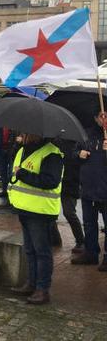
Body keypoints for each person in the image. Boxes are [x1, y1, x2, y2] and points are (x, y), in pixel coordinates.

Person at [8, 133, 64, 305]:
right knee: (30, 250)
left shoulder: (51, 153)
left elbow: (50, 181)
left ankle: (42, 289)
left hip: (40, 210)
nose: (21, 135)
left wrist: (23, 174)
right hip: (24, 207)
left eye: (25, 133)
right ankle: (31, 283)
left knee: (42, 251)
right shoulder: (23, 149)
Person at [71, 112, 107, 269]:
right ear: (95, 118)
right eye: (101, 115)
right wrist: (79, 154)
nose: (103, 119)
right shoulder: (85, 134)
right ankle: (91, 252)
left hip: (105, 189)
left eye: (106, 115)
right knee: (89, 223)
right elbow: (73, 154)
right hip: (88, 187)